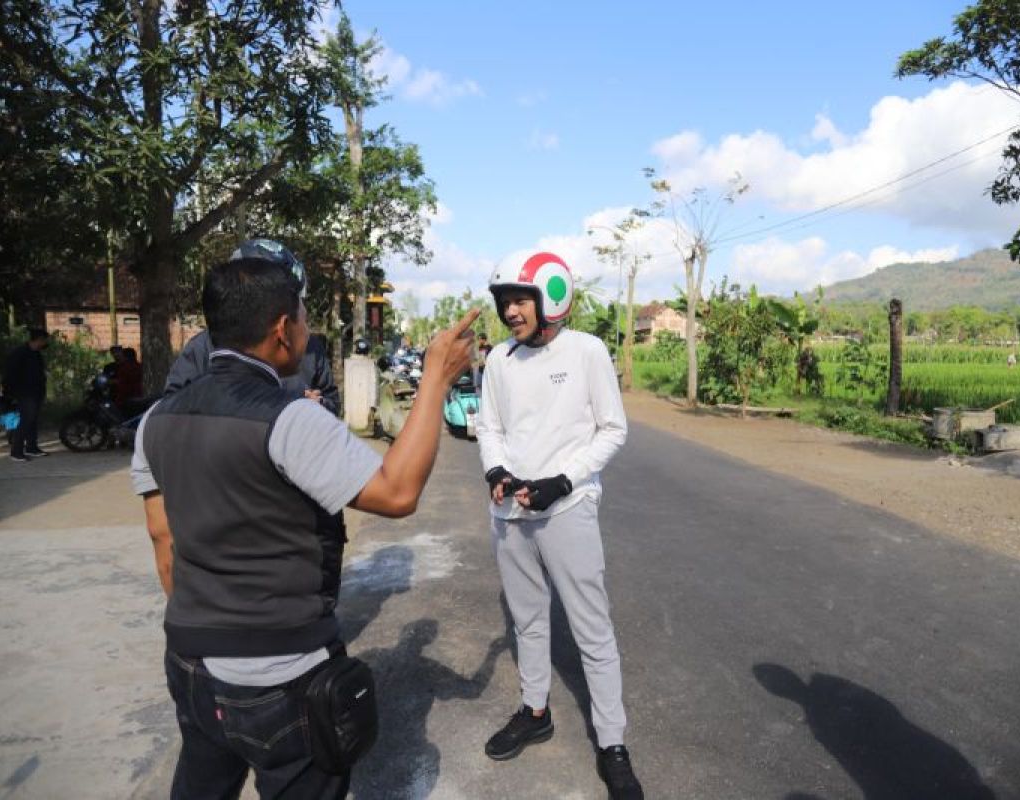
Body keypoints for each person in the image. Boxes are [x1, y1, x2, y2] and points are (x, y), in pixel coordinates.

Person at [131, 253, 478, 798]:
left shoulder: (155, 420)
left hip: (191, 665)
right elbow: (398, 491)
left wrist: (209, 631)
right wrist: (435, 376)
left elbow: (163, 538)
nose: (308, 329)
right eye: (304, 316)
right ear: (281, 330)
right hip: (281, 675)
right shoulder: (291, 419)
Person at [476, 251, 643, 799]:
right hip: (510, 514)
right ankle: (535, 710)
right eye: (505, 302)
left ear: (552, 298)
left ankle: (613, 743)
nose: (510, 312)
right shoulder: (499, 359)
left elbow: (611, 430)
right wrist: (496, 469)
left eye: (520, 300)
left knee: (591, 629)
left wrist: (564, 481)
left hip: (567, 510)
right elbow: (490, 427)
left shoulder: (586, 351)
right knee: (528, 621)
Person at [164, 241, 341, 416]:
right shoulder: (203, 346)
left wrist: (318, 405)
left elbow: (331, 401)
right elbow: (173, 405)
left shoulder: (309, 348)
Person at [2, 328, 50, 462]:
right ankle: (16, 451)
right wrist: (10, 393)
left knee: (33, 420)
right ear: (39, 339)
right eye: (44, 340)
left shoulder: (36, 354)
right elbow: (10, 374)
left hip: (36, 392)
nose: (45, 343)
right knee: (26, 420)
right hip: (24, 393)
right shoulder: (20, 353)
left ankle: (32, 447)